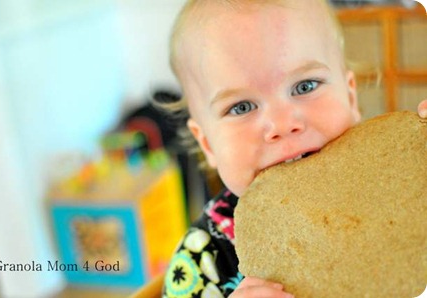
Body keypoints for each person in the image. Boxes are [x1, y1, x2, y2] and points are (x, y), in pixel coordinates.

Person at [159, 0, 427, 297]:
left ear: (351, 98)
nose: (282, 124)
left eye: (305, 86)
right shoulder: (204, 257)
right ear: (208, 144)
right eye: (241, 107)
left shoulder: (398, 183)